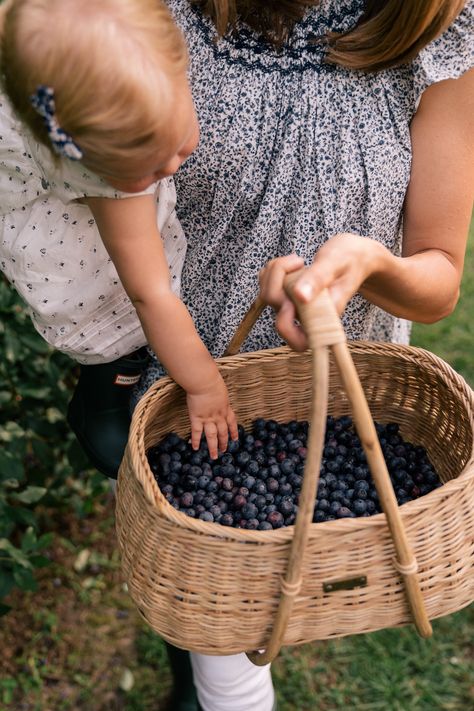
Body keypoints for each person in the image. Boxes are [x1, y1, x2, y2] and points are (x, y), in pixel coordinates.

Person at [133, 0, 474, 710]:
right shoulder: (159, 16)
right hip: (199, 386)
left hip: (344, 407)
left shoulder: (441, 31)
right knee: (214, 601)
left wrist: (372, 263)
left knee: (256, 598)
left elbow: (440, 274)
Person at [0, 0, 238, 480]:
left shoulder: (112, 48)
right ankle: (107, 384)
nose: (172, 168)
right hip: (70, 242)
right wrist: (204, 384)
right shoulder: (95, 159)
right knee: (119, 298)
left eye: (177, 145)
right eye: (151, 171)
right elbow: (149, 294)